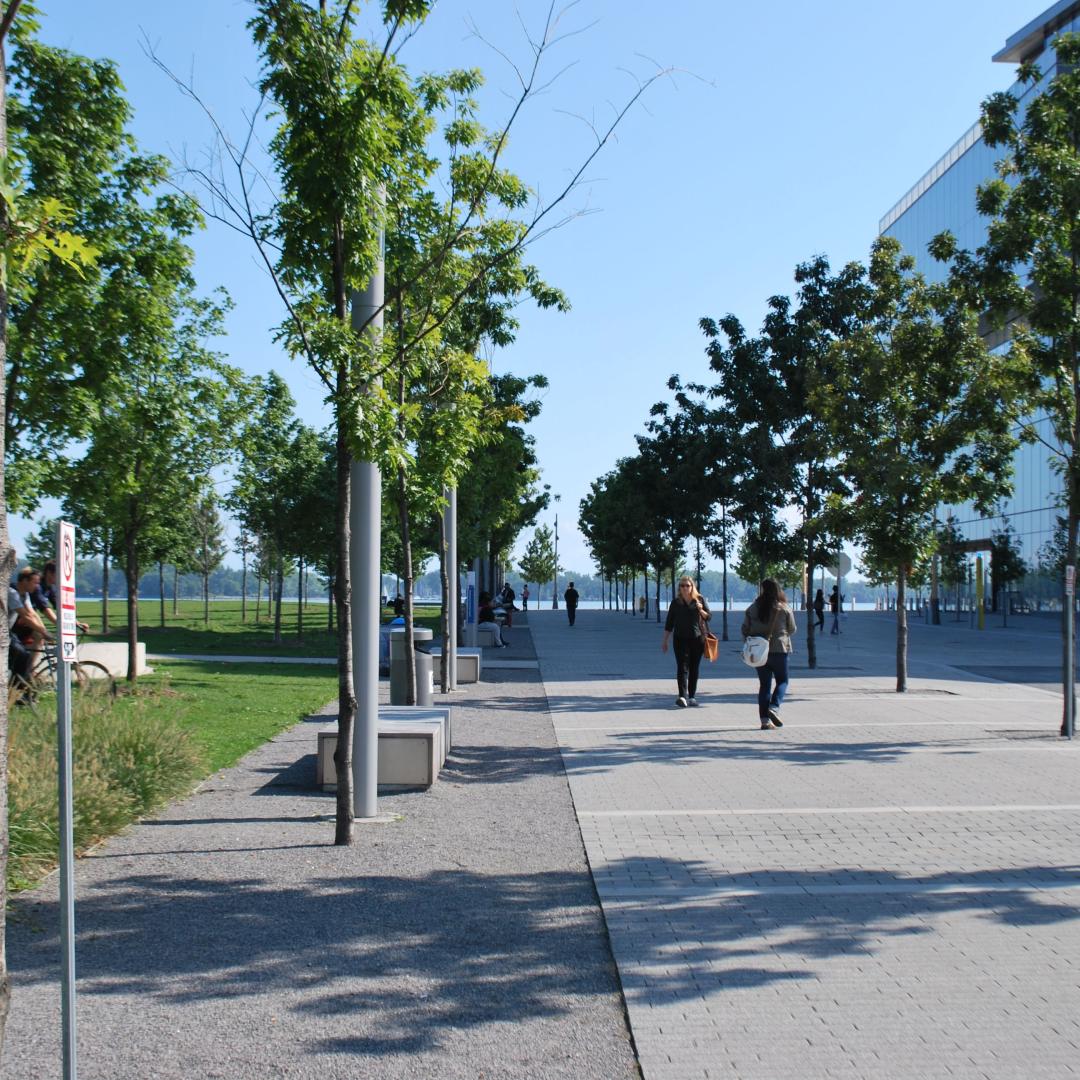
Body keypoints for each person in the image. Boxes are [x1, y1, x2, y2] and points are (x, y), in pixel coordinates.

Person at [742, 578, 797, 730]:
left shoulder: (753, 607)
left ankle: (765, 721)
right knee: (782, 681)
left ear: (762, 589)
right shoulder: (784, 608)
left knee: (764, 685)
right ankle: (774, 706)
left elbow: (745, 629)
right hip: (779, 649)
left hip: (760, 652)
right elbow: (792, 629)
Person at [661, 576, 712, 708]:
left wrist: (700, 609)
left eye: (687, 585)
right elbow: (669, 623)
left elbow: (709, 617)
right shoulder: (676, 603)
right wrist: (665, 640)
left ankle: (692, 697)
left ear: (692, 586)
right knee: (682, 667)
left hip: (697, 639)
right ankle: (682, 696)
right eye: (682, 586)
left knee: (694, 668)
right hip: (679, 639)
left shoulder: (699, 599)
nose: (684, 588)